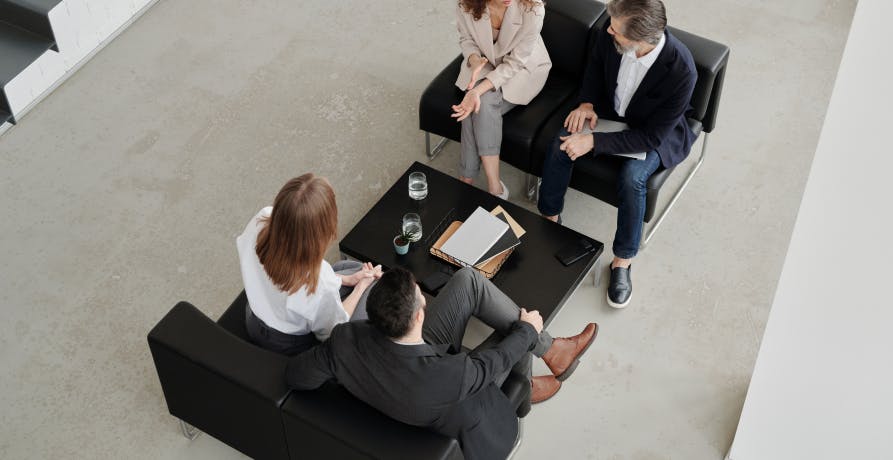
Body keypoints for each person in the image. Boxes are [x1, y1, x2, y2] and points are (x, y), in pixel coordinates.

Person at [287, 267, 597, 460]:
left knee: (468, 281)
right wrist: (529, 329)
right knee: (517, 332)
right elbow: (500, 357)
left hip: (414, 359)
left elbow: (297, 375)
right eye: (421, 296)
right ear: (420, 314)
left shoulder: (345, 339)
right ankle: (530, 382)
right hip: (442, 390)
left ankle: (554, 351)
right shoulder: (451, 375)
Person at [537, 0, 696, 309]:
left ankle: (622, 261)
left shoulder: (681, 70)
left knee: (633, 178)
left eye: (617, 29)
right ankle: (549, 221)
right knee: (561, 145)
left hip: (651, 132)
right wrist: (586, 103)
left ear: (643, 38)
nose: (608, 29)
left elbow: (651, 136)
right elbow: (595, 67)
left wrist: (594, 142)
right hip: (609, 112)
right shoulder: (609, 35)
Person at [236, 174, 382, 355]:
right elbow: (332, 333)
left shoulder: (262, 218)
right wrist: (361, 286)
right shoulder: (318, 281)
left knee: (348, 270)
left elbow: (309, 289)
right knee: (375, 291)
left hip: (253, 317)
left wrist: (348, 280)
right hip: (287, 344)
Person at [452, 0, 552, 199]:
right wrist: (474, 60)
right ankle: (486, 185)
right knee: (479, 102)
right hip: (486, 63)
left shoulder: (533, 8)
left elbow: (515, 62)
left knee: (482, 102)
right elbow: (466, 38)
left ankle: (478, 182)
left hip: (523, 68)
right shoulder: (466, 3)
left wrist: (477, 91)